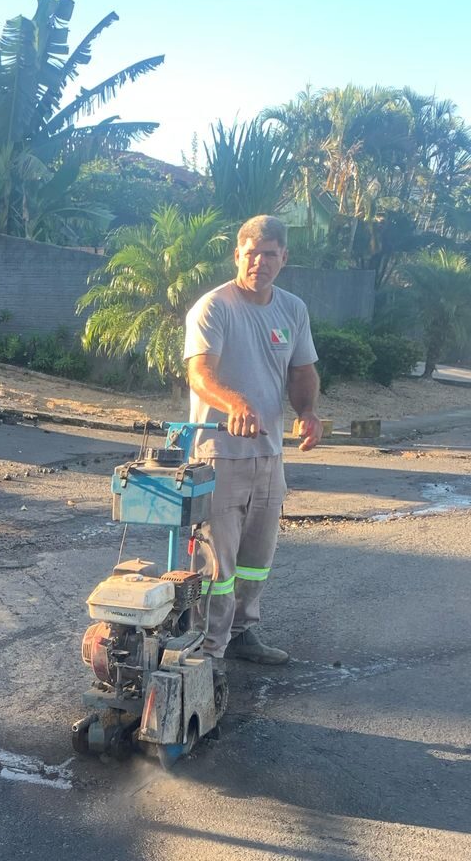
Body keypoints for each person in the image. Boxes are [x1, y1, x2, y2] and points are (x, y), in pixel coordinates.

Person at [184, 214, 321, 666]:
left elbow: (302, 371)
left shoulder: (292, 310)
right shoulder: (214, 307)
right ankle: (205, 648)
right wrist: (235, 405)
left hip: (269, 454)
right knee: (215, 561)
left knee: (256, 555)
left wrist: (307, 412)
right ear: (237, 254)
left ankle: (242, 633)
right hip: (219, 452)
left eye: (269, 254)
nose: (259, 262)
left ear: (284, 257)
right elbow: (200, 375)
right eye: (251, 253)